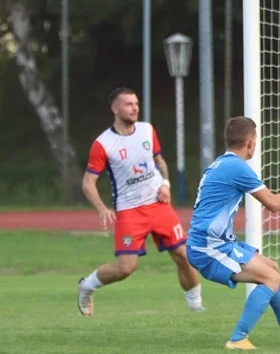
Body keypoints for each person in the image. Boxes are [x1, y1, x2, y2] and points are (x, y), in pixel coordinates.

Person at [186, 117, 280, 349]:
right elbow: (274, 203)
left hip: (216, 242)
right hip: (208, 247)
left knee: (272, 268)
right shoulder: (238, 168)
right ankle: (238, 338)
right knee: (269, 278)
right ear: (251, 143)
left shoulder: (222, 164)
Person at [77, 88, 203, 316]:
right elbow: (88, 183)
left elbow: (160, 161)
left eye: (136, 103)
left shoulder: (147, 130)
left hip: (158, 205)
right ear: (115, 109)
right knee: (126, 268)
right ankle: (86, 286)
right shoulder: (103, 144)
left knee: (184, 255)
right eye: (128, 104)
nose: (134, 108)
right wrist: (102, 209)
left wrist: (166, 183)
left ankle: (196, 307)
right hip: (129, 211)